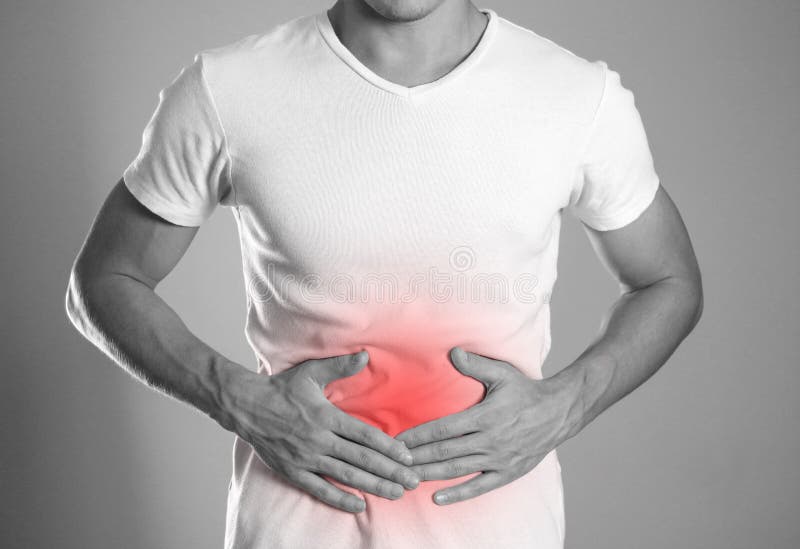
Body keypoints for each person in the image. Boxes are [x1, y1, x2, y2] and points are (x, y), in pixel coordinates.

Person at [65, 1, 703, 547]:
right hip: (295, 529)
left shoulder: (575, 96)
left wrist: (568, 403)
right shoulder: (229, 88)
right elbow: (103, 279)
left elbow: (669, 281)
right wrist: (237, 399)